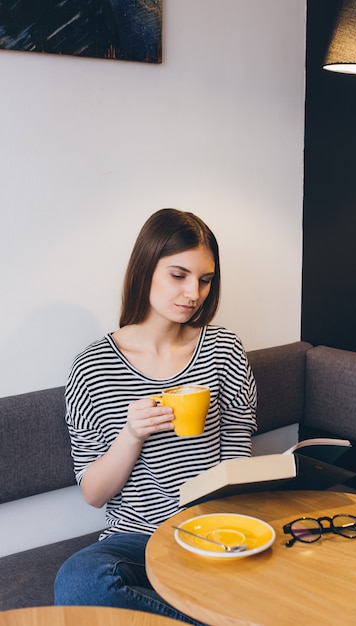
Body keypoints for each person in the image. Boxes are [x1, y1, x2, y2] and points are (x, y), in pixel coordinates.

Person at [54, 208, 257, 623]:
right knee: (79, 581)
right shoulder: (93, 367)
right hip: (135, 539)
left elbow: (238, 460)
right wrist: (131, 434)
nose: (193, 293)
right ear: (146, 269)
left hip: (212, 529)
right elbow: (94, 495)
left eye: (205, 280)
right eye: (178, 275)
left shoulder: (223, 350)